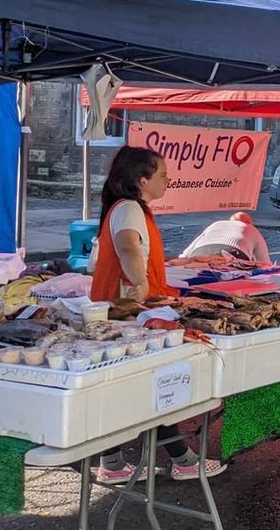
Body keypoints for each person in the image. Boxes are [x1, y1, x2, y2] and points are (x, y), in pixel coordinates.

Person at [89, 147, 227, 483]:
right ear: (142, 180)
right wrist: (139, 282)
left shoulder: (126, 208)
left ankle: (113, 461)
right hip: (129, 315)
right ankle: (182, 460)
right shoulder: (130, 209)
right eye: (163, 175)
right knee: (159, 386)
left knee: (134, 388)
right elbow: (127, 247)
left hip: (121, 312)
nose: (169, 180)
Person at [180, 212, 271, 263]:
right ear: (250, 223)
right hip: (232, 254)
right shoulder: (252, 229)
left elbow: (185, 254)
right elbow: (265, 263)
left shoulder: (216, 224)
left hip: (198, 252)